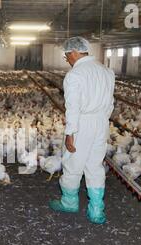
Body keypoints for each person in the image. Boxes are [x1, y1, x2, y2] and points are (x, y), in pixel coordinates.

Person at [49, 36, 115, 224]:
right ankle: (96, 210)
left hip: (82, 124)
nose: (67, 60)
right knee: (95, 165)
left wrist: (70, 133)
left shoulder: (75, 75)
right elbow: (111, 103)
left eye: (67, 56)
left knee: (73, 163)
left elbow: (73, 107)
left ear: (74, 52)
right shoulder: (107, 71)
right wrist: (102, 121)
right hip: (101, 122)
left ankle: (69, 202)